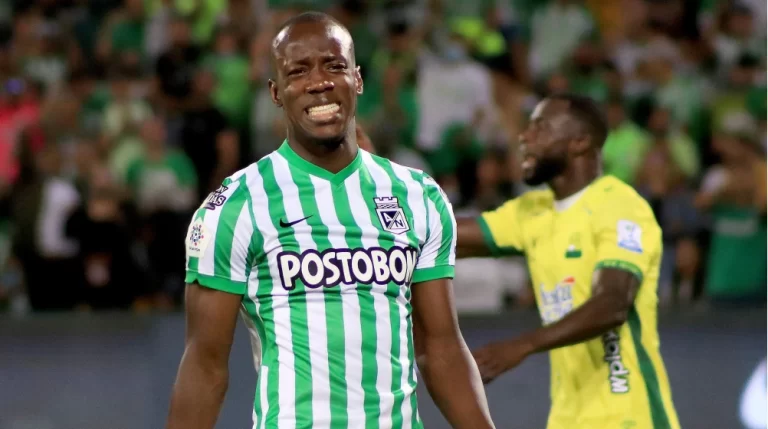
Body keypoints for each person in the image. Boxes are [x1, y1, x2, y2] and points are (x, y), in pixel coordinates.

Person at [166, 12, 495, 429]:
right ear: (276, 92)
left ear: (357, 79)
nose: (318, 82)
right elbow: (205, 365)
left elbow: (441, 348)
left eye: (334, 66)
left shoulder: (418, 195)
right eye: (298, 71)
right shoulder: (236, 205)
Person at [456, 94, 681, 429]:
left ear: (580, 142)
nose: (524, 137)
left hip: (630, 416)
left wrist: (522, 345)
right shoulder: (532, 211)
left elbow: (612, 304)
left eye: (540, 128)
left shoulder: (620, 206)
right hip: (567, 418)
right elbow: (447, 235)